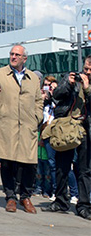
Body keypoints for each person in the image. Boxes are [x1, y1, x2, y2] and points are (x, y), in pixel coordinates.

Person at [0, 45, 43, 214]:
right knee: (7, 162)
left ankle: (26, 196)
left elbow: (39, 101)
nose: (13, 57)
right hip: (7, 126)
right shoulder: (0, 74)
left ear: (24, 58)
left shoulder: (33, 77)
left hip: (27, 127)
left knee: (29, 164)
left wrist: (37, 118)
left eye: (17, 55)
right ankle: (10, 197)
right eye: (11, 54)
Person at [44, 55, 91, 220]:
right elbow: (56, 95)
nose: (87, 72)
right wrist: (69, 83)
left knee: (84, 169)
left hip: (85, 130)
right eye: (85, 69)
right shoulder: (71, 78)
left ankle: (84, 205)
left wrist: (87, 88)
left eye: (90, 70)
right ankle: (61, 201)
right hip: (67, 128)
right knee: (62, 166)